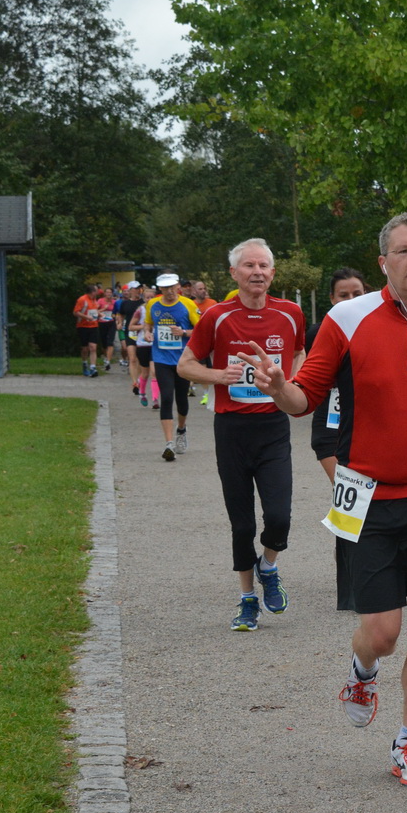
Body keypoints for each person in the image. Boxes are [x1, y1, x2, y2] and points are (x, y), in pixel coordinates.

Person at [252, 209, 407, 788]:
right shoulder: (347, 318)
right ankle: (363, 670)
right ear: (383, 260)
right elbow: (303, 399)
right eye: (406, 250)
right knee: (383, 632)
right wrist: (277, 387)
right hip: (364, 499)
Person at [178, 238, 307, 631]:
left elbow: (300, 353)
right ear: (234, 273)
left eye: (263, 266)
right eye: (248, 266)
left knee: (279, 516)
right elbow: (186, 364)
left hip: (272, 426)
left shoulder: (291, 314)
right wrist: (219, 375)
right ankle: (247, 600)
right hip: (231, 429)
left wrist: (293, 383)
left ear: (272, 273)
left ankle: (268, 567)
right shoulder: (216, 315)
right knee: (242, 525)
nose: (257, 272)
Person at [309, 268, 370, 482]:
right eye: (343, 295)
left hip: (371, 429)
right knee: (350, 501)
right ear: (332, 298)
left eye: (357, 294)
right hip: (331, 427)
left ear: (367, 295)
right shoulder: (318, 333)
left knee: (377, 505)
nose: (350, 300)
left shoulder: (382, 332)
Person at [143, 274, 199, 460]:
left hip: (183, 359)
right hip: (161, 358)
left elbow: (200, 330)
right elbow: (148, 323)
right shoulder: (153, 305)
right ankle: (169, 445)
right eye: (164, 288)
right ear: (160, 289)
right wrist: (147, 333)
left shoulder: (188, 305)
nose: (168, 291)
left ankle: (181, 430)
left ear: (177, 287)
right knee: (166, 397)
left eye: (171, 287)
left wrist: (183, 332)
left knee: (181, 398)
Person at [73, 285, 101, 376]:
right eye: (96, 291)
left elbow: (94, 310)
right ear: (92, 292)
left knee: (93, 347)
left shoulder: (94, 300)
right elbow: (75, 312)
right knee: (85, 348)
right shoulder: (82, 299)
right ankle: (85, 363)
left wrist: (99, 315)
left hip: (94, 326)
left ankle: (93, 367)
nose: (98, 292)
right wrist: (86, 317)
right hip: (83, 326)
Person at [94, 285, 118, 373]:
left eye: (110, 292)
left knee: (110, 342)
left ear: (112, 294)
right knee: (104, 343)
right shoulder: (100, 301)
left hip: (111, 323)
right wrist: (103, 309)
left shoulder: (115, 302)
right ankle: (106, 357)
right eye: (107, 292)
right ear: (104, 293)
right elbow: (94, 311)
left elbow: (117, 313)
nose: (108, 294)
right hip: (102, 323)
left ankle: (108, 361)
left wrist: (116, 318)